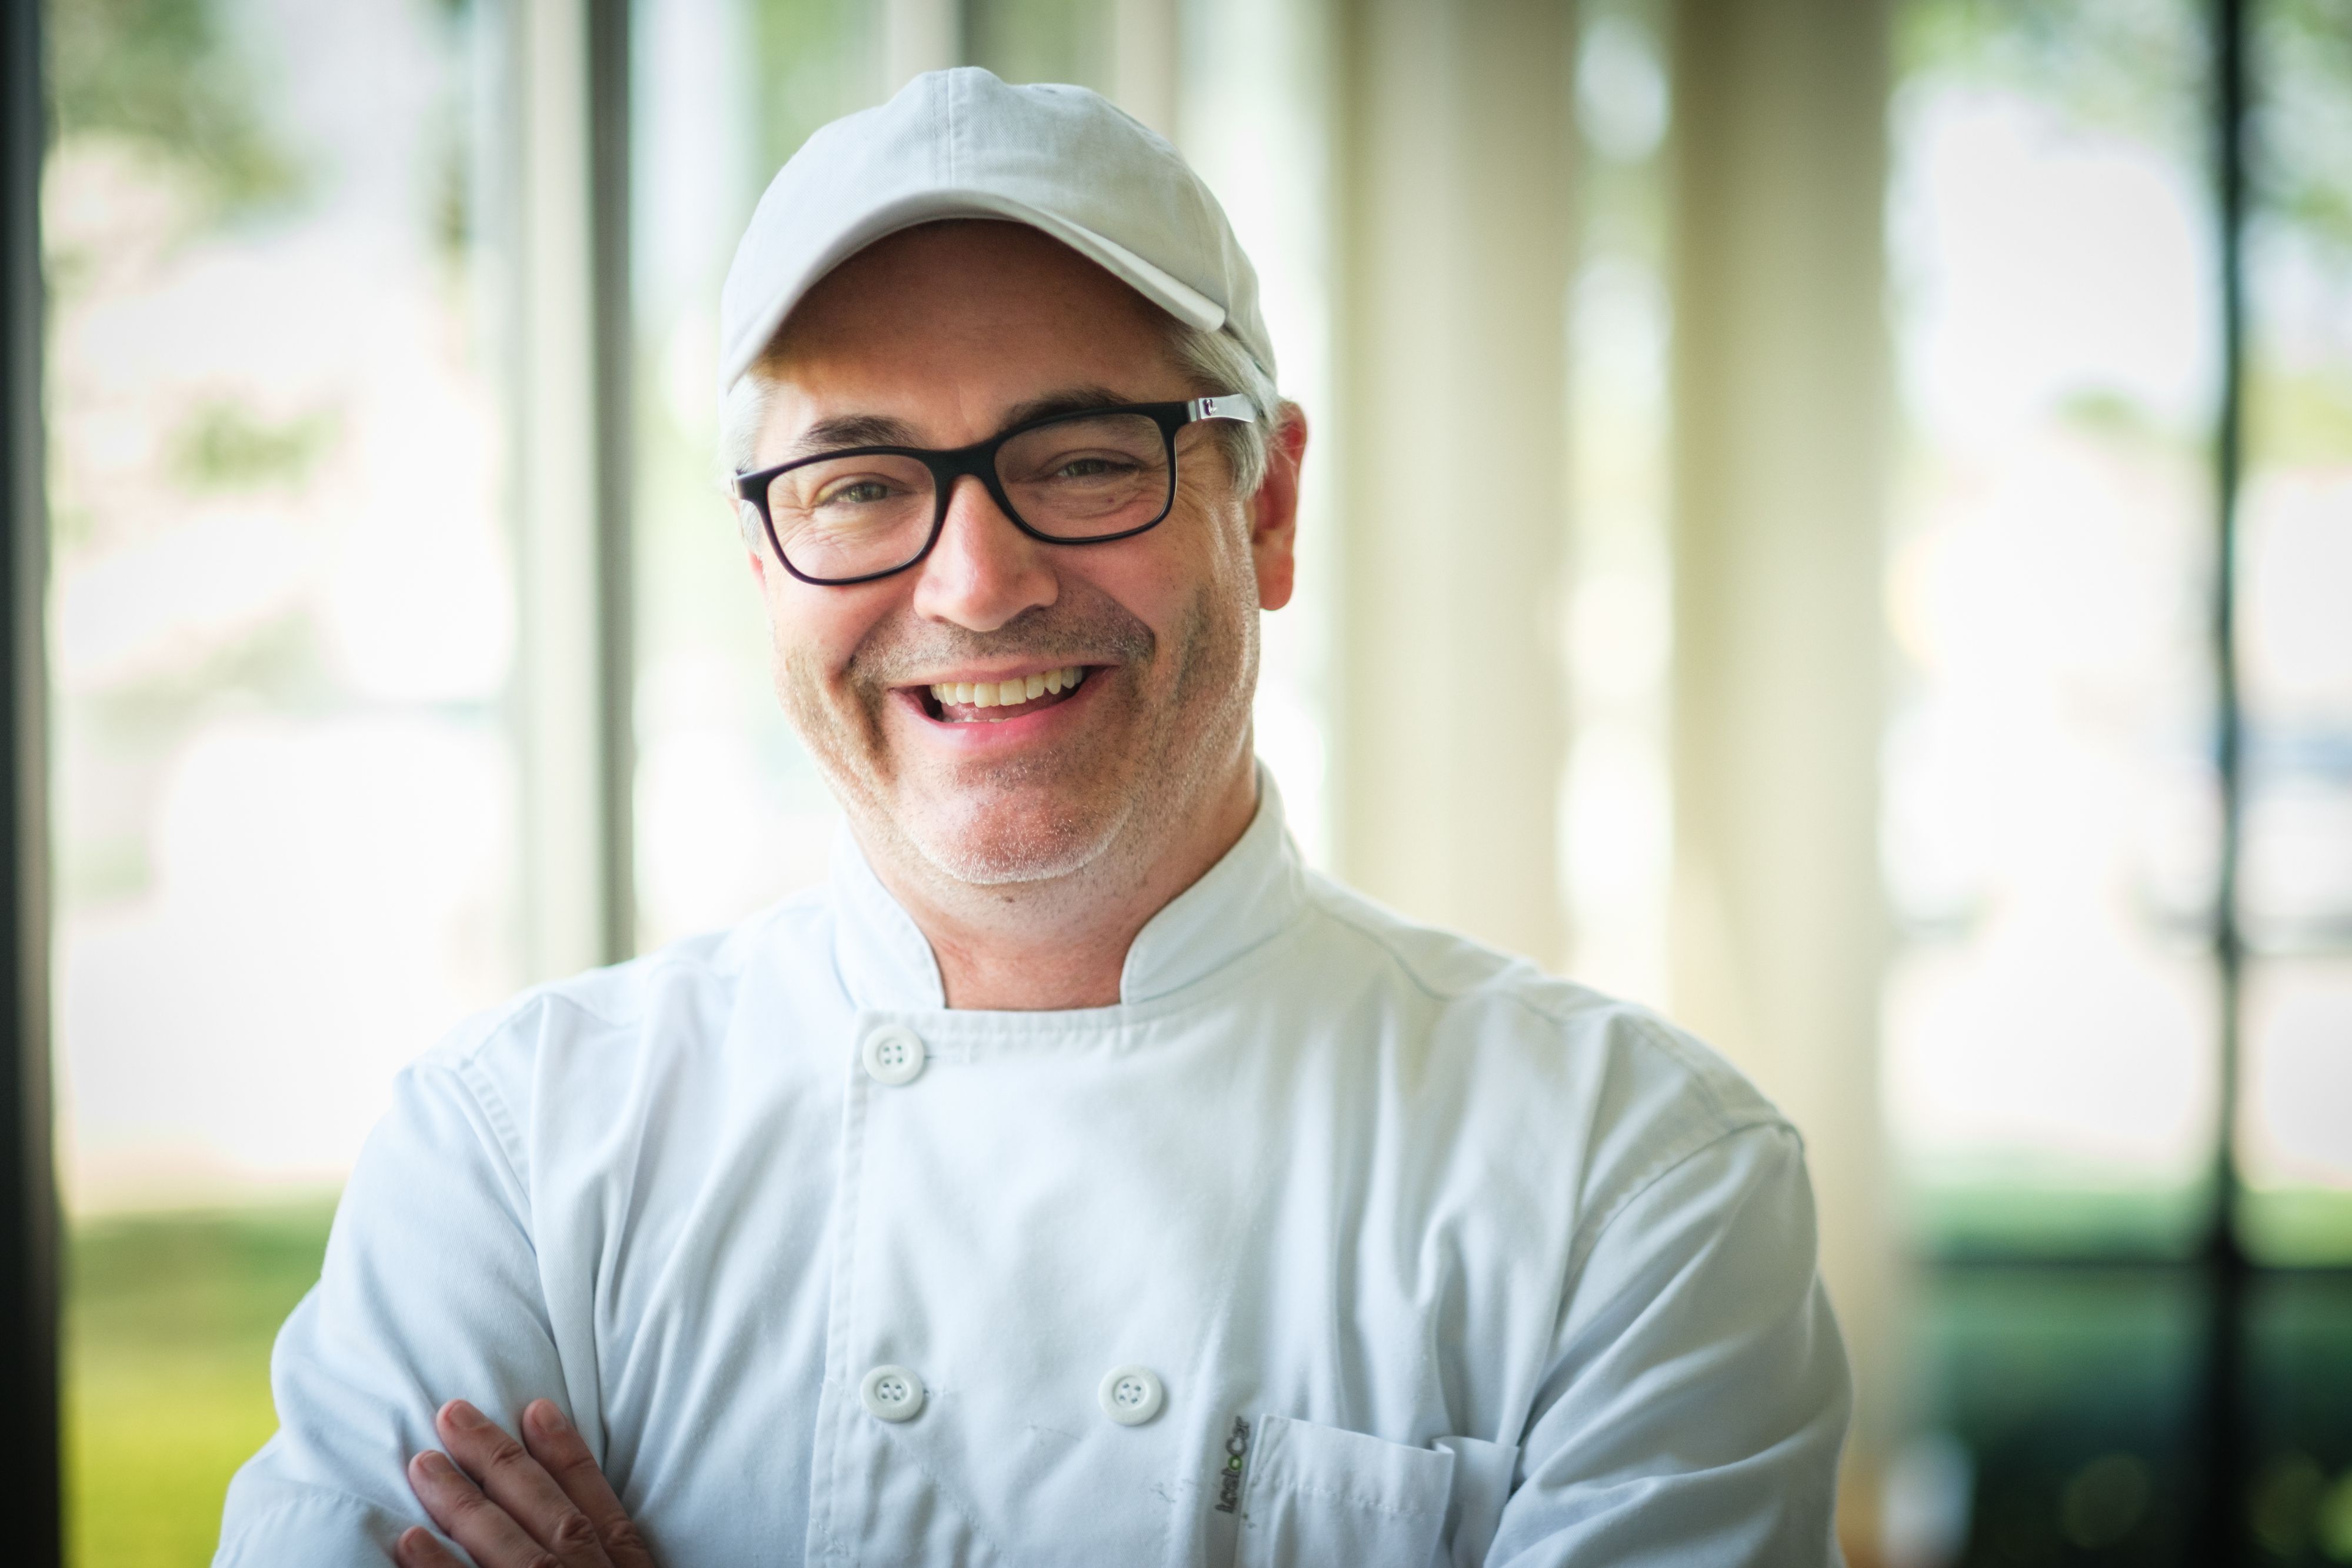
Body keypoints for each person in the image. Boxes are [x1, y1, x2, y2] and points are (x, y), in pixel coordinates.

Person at [214, 67, 1850, 1568]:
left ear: (1266, 506)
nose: (977, 580)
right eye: (859, 482)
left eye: (1076, 458)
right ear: (763, 560)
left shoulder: (1630, 1184)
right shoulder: (516, 1160)